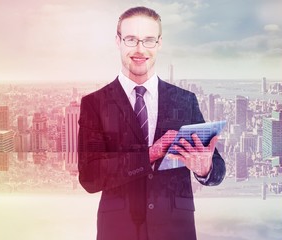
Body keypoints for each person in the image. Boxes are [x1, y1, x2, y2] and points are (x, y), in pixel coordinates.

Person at [78, 6, 226, 240]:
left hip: (176, 230)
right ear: (118, 41)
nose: (140, 49)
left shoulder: (185, 100)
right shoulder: (95, 104)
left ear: (159, 43)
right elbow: (89, 177)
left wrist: (204, 168)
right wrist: (148, 156)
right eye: (131, 39)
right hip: (119, 230)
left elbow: (217, 171)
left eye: (148, 40)